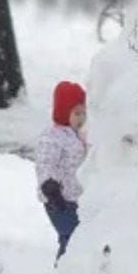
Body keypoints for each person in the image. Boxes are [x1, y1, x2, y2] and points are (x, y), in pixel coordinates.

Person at [35, 80, 88, 261]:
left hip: (75, 198)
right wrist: (50, 187)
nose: (81, 118)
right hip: (58, 200)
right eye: (76, 113)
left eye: (84, 113)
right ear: (64, 112)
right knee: (72, 240)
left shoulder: (78, 134)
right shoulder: (51, 137)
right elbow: (45, 163)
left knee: (77, 239)